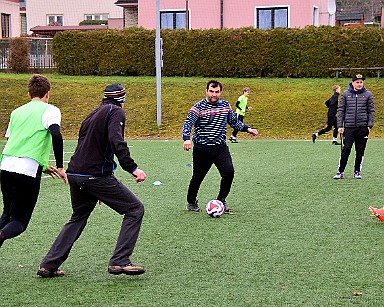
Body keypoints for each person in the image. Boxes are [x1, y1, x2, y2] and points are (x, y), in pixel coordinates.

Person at [37, 83, 147, 278]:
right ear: (122, 98)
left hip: (76, 174)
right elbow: (116, 141)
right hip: (94, 175)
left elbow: (88, 145)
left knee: (78, 216)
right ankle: (120, 261)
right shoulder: (116, 112)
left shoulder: (93, 113)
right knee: (135, 209)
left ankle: (49, 264)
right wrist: (133, 168)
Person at [0, 74, 67, 248]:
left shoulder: (16, 112)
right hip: (27, 169)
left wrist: (43, 166)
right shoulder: (51, 110)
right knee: (20, 221)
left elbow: (13, 141)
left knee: (7, 215)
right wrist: (60, 167)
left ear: (29, 94)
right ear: (48, 93)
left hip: (6, 166)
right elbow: (56, 134)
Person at [182, 80, 258, 213]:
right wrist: (186, 139)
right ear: (206, 91)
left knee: (229, 173)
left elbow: (234, 122)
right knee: (198, 177)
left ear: (220, 92)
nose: (214, 94)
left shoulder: (225, 106)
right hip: (202, 149)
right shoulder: (198, 107)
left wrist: (248, 129)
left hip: (220, 148)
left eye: (217, 92)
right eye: (211, 91)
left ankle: (221, 200)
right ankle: (191, 202)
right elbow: (188, 123)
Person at [333, 74, 375, 180]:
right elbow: (341, 110)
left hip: (362, 127)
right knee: (346, 149)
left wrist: (369, 125)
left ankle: (357, 171)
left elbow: (371, 111)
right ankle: (340, 171)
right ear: (352, 83)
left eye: (361, 82)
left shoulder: (368, 94)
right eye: (357, 82)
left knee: (360, 151)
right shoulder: (345, 94)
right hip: (349, 127)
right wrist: (339, 126)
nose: (359, 84)